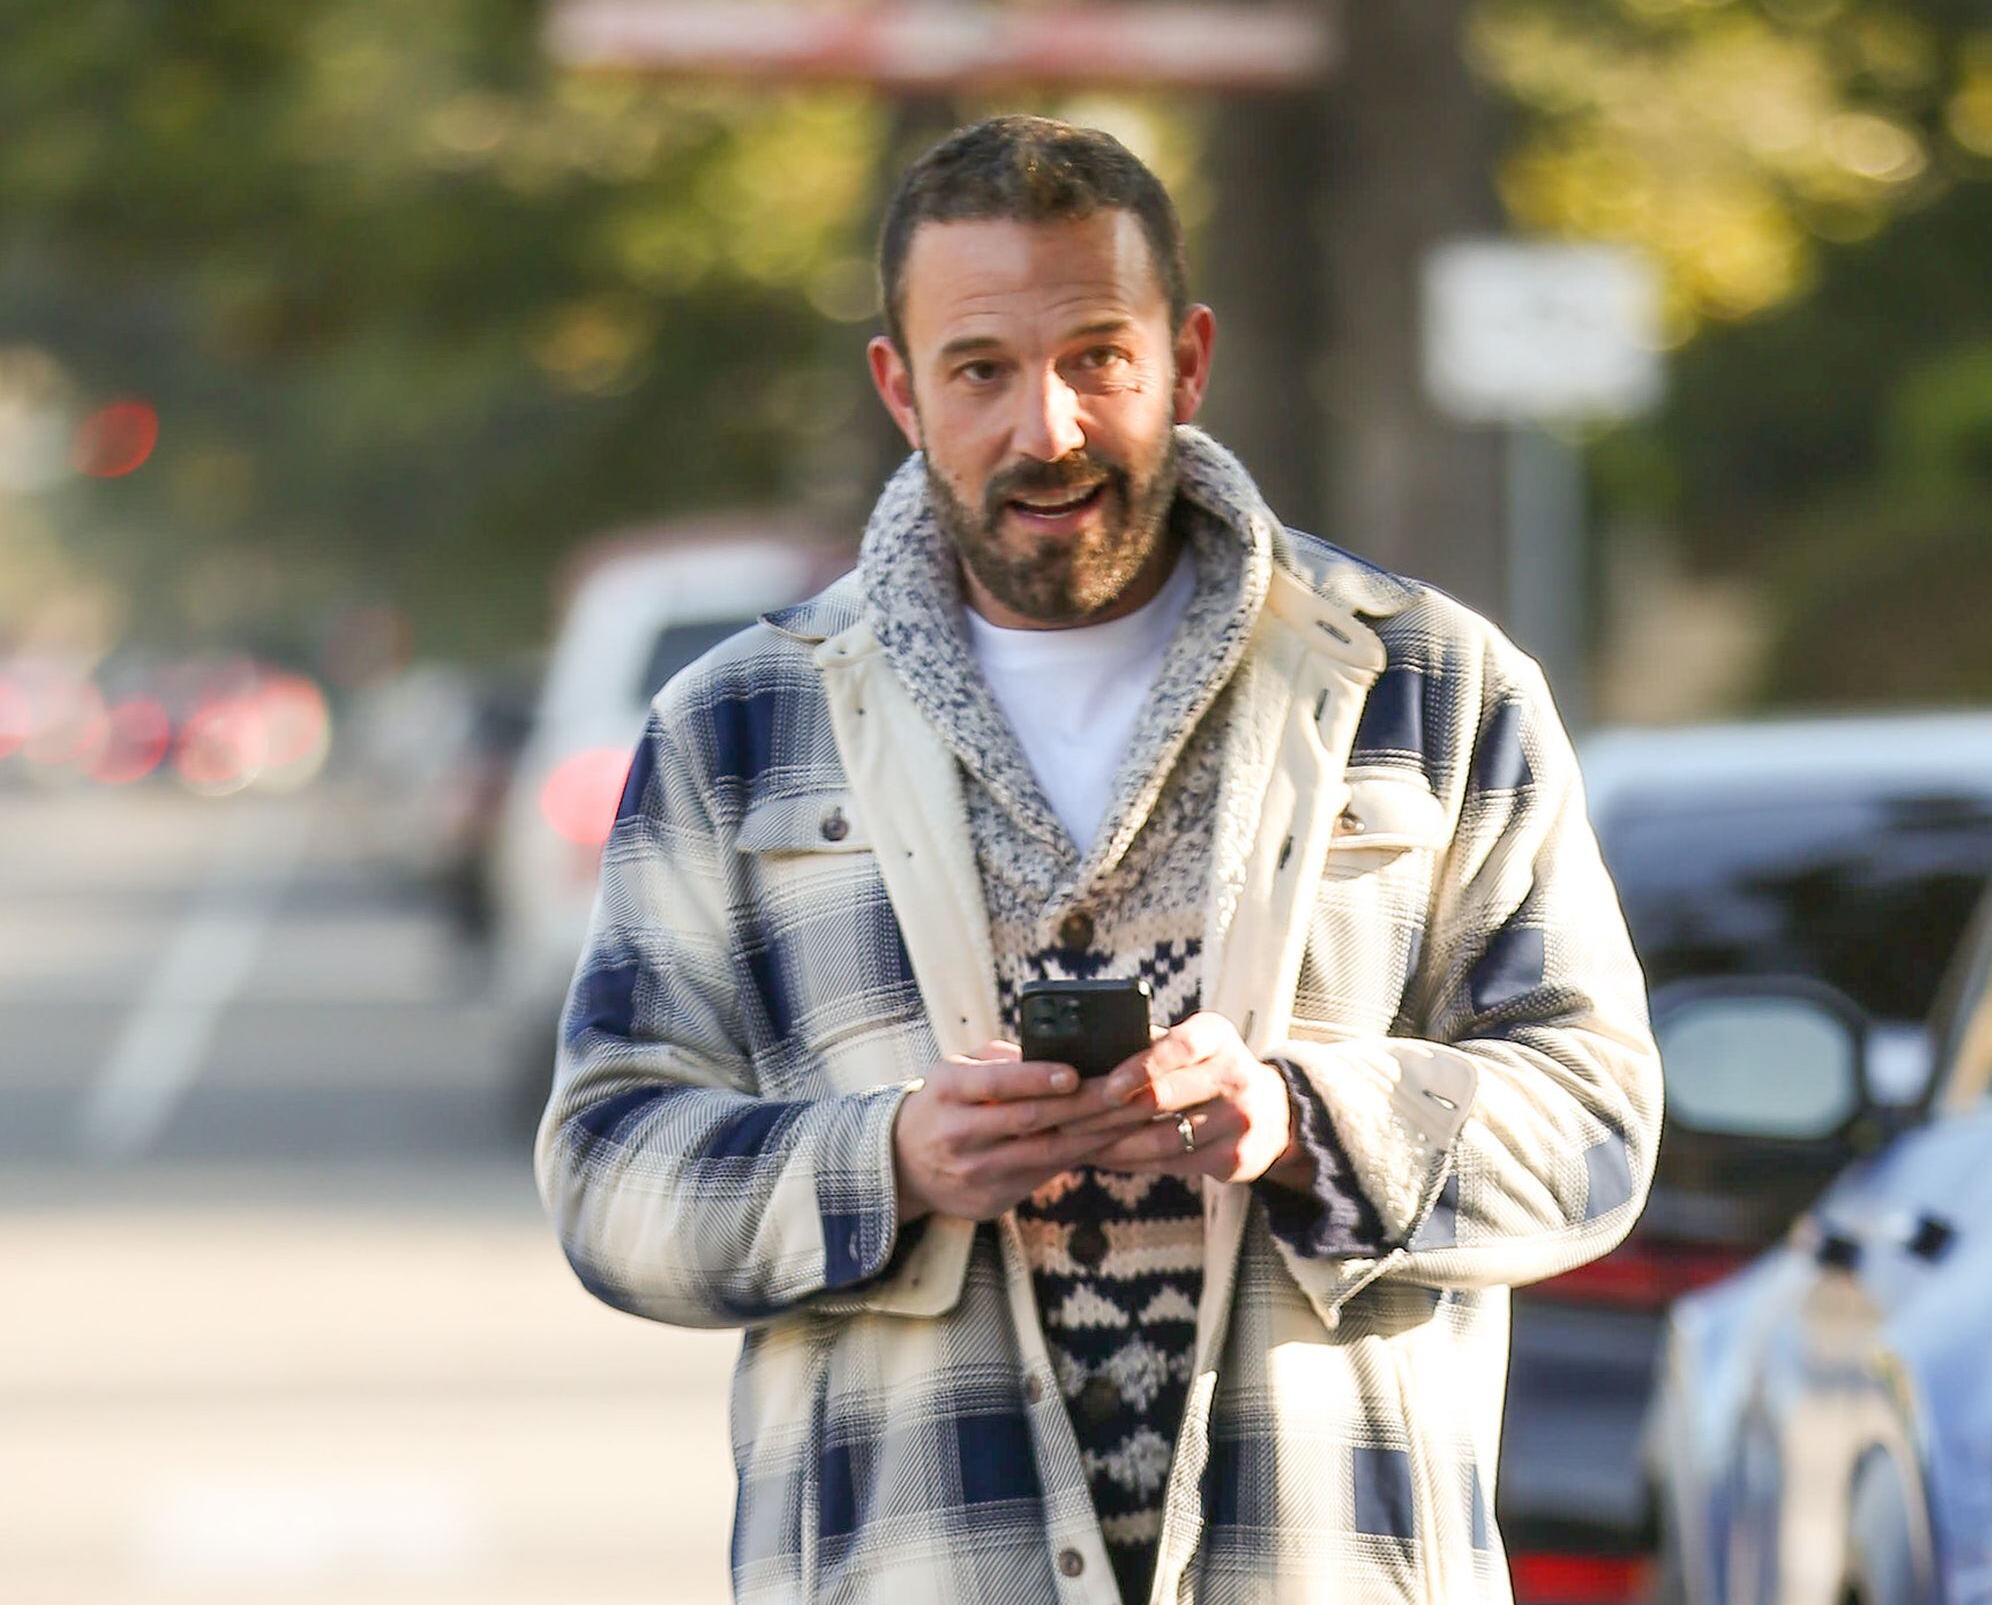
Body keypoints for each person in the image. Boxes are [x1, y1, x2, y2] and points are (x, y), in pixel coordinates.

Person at [535, 114, 1661, 1605]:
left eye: (1098, 359)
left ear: (1187, 362)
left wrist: (1302, 1121)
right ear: (902, 389)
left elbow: (1595, 1123)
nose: (1046, 429)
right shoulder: (740, 731)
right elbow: (611, 1171)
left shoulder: (1429, 687)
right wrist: (888, 1159)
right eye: (982, 369)